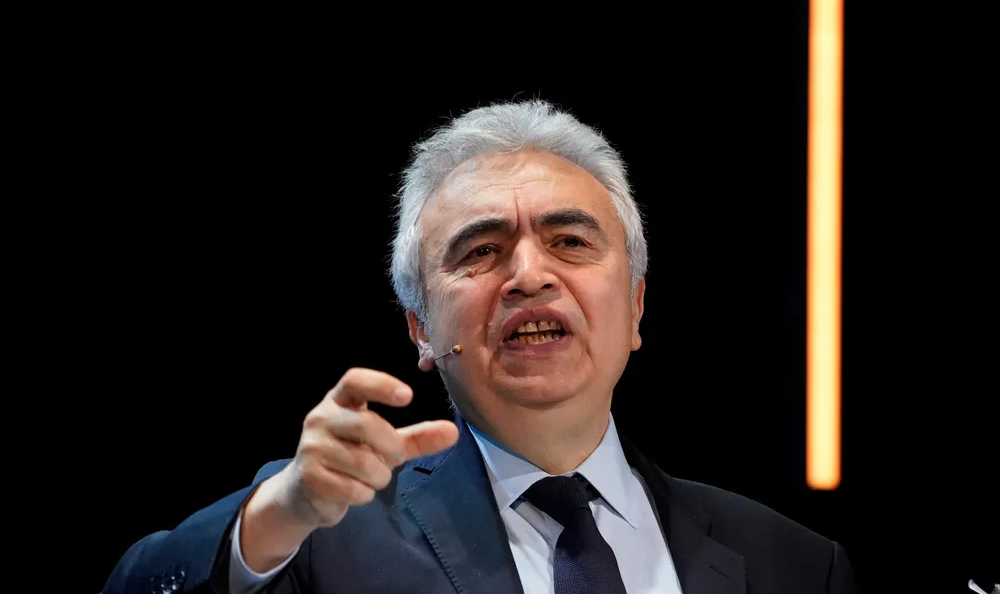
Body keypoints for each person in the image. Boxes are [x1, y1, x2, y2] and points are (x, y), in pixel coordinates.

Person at [103, 100, 857, 594]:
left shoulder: (796, 564)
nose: (530, 275)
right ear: (421, 330)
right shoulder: (318, 534)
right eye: (481, 251)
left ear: (634, 306)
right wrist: (277, 517)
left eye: (570, 241)